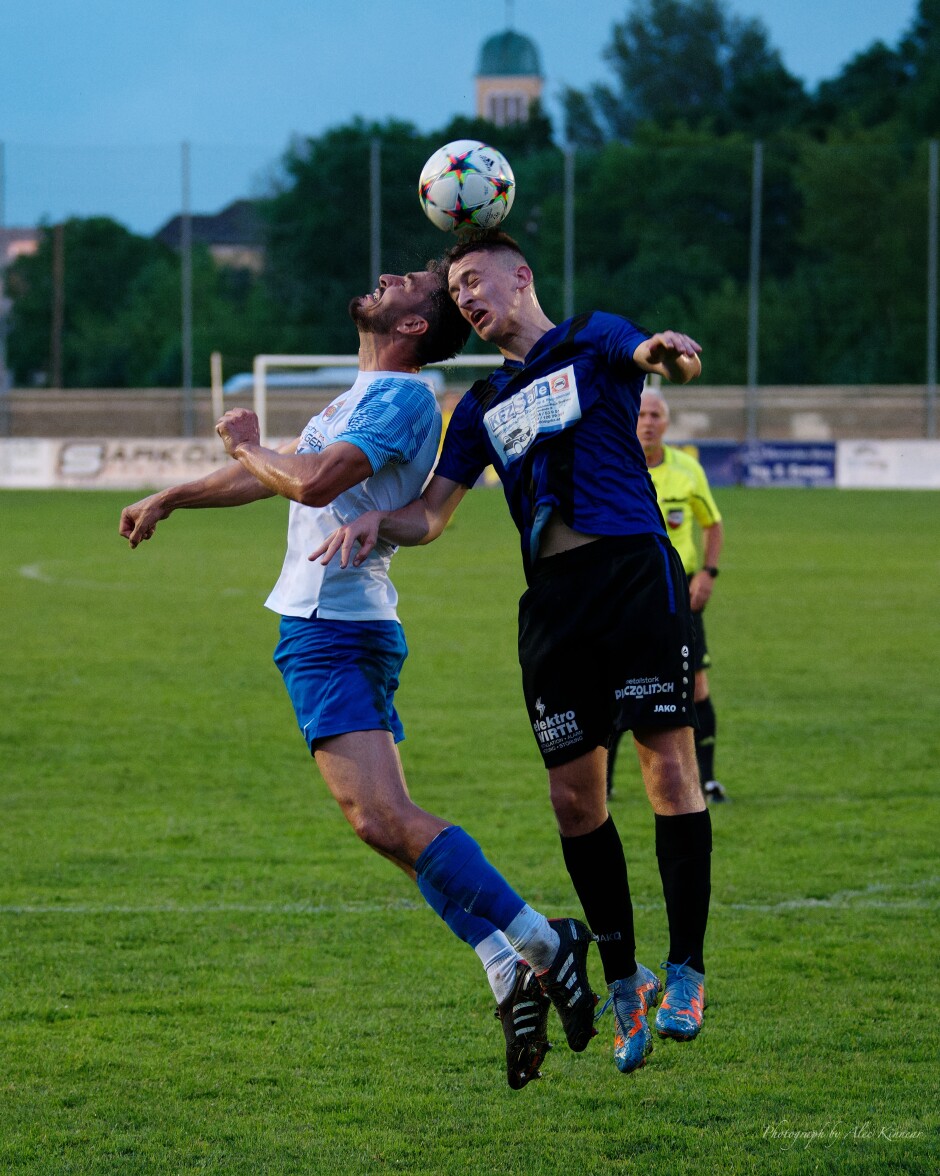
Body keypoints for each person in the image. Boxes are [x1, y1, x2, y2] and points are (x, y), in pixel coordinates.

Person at [118, 264, 597, 1091]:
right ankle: (501, 962)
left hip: (337, 631)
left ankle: (546, 943)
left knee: (382, 816)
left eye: (409, 282)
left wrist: (243, 441)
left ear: (416, 327)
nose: (389, 278)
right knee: (380, 823)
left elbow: (308, 478)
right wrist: (177, 494)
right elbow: (278, 474)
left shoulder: (401, 397)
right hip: (326, 628)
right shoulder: (359, 394)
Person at [312, 232, 713, 1076]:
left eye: (472, 279)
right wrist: (378, 522)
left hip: (634, 574)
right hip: (554, 609)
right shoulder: (483, 403)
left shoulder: (591, 336)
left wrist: (664, 351)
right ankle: (623, 979)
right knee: (575, 800)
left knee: (668, 771)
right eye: (453, 289)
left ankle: (686, 969)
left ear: (520, 276)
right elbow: (432, 514)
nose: (463, 296)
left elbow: (642, 351)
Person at [607, 388, 727, 803]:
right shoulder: (615, 464)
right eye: (641, 414)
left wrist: (708, 574)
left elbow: (712, 524)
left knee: (696, 687)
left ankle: (708, 781)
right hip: (629, 592)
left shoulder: (688, 470)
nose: (648, 422)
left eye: (656, 414)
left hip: (681, 591)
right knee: (617, 686)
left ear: (667, 423)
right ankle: (601, 784)